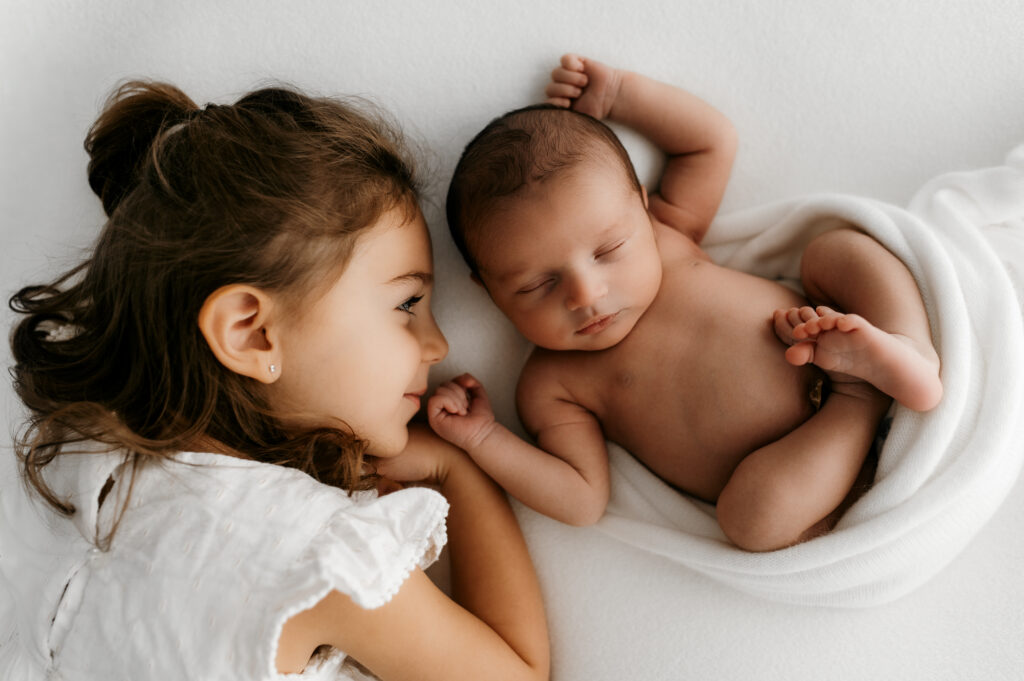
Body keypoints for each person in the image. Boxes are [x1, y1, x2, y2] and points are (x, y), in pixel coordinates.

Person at [1, 81, 548, 680]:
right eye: (407, 304)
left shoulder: (71, 457)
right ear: (252, 333)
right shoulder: (318, 558)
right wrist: (456, 470)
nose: (438, 345)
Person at [433, 54, 943, 552]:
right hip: (804, 466)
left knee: (837, 250)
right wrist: (483, 439)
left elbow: (710, 142)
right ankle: (860, 398)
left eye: (608, 251)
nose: (586, 295)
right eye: (538, 284)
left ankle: (907, 349)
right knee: (750, 520)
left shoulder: (667, 236)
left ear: (642, 206)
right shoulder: (551, 383)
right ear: (488, 289)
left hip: (830, 329)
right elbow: (582, 499)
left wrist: (618, 94)